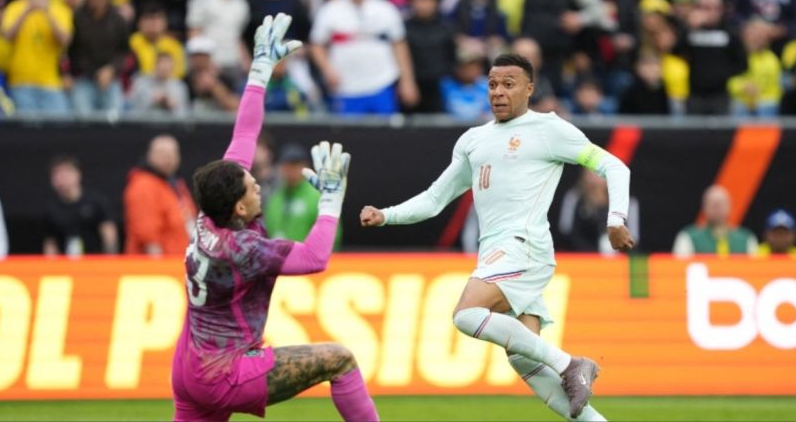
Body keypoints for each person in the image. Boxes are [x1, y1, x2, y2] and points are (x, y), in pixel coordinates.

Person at [360, 53, 635, 420]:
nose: (498, 92)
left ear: (529, 89)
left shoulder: (549, 129)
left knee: (466, 315)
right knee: (526, 360)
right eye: (492, 84)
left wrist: (615, 219)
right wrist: (386, 216)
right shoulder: (474, 141)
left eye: (509, 84)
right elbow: (434, 199)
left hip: (524, 247)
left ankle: (572, 363)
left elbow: (613, 165)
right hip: (497, 252)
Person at [172, 13, 379, 422]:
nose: (258, 184)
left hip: (190, 366)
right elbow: (315, 258)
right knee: (340, 360)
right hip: (224, 372)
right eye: (252, 186)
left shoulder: (211, 213)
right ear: (240, 208)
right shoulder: (243, 247)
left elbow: (244, 135)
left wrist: (260, 71)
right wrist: (332, 200)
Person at [309, 0, 419, 115]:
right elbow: (317, 45)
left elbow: (399, 44)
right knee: (347, 136)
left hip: (382, 82)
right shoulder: (330, 10)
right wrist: (327, 70)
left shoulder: (386, 9)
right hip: (345, 87)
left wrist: (407, 81)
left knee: (386, 133)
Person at [1, 0, 73, 114]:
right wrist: (27, 10)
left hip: (51, 82)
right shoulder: (14, 8)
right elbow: (7, 36)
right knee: (27, 132)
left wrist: (47, 12)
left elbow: (65, 40)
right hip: (21, 81)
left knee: (58, 128)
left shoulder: (60, 9)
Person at [123, 134, 197, 256]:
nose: (169, 159)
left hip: (179, 260)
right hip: (158, 267)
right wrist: (158, 267)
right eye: (163, 154)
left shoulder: (175, 184)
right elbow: (147, 234)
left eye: (172, 155)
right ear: (150, 156)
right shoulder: (143, 185)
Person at [68, 0, 129, 114]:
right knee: (81, 118)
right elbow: (70, 50)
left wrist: (111, 69)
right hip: (83, 78)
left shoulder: (119, 19)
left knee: (115, 118)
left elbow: (124, 52)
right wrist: (68, 74)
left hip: (110, 80)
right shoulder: (76, 16)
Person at [264, 143, 342, 247]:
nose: (291, 170)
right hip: (277, 260)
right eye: (287, 165)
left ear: (306, 166)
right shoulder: (275, 197)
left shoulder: (317, 197)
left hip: (307, 260)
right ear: (281, 168)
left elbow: (332, 234)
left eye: (295, 165)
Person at [43, 155, 117, 256]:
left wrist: (110, 258)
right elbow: (51, 241)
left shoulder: (95, 202)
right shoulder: (51, 209)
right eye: (57, 174)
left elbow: (108, 231)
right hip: (65, 264)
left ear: (77, 174)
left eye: (66, 173)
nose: (61, 178)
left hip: (94, 261)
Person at [672, 185, 758, 258]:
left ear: (730, 206)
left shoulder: (746, 238)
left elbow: (756, 271)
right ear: (704, 207)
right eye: (713, 204)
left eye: (721, 203)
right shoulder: (688, 237)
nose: (717, 208)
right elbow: (679, 270)